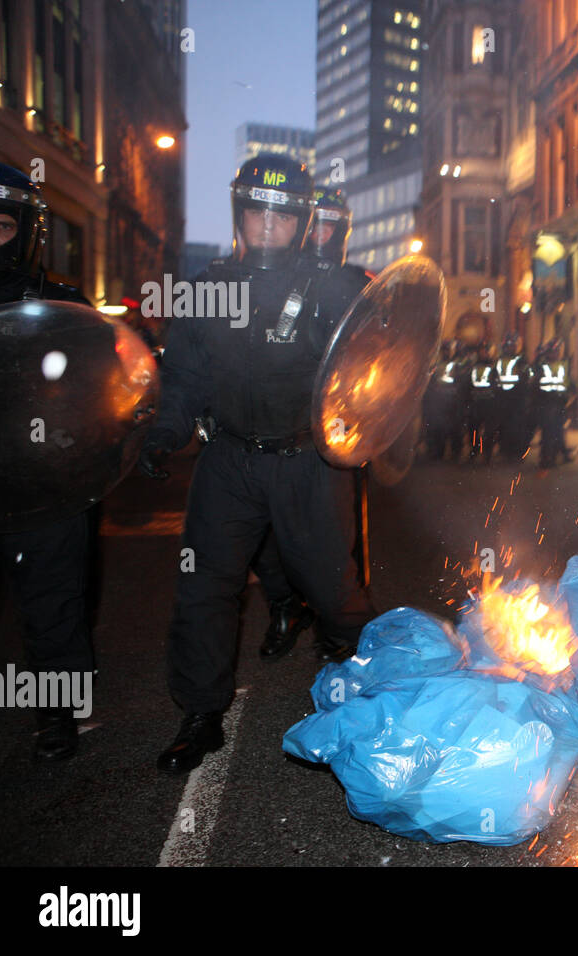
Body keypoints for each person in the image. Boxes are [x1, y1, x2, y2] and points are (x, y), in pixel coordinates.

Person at [138, 153, 376, 774]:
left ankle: (372, 702)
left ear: (302, 220)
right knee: (203, 588)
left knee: (333, 588)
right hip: (228, 459)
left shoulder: (336, 287)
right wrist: (164, 433)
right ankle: (200, 714)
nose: (268, 226)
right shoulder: (207, 288)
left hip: (308, 461)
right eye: (256, 211)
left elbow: (376, 371)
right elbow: (184, 376)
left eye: (282, 214)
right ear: (240, 214)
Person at [0, 160, 95, 760]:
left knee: (54, 604)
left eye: (1, 228)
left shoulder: (61, 305)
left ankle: (56, 713)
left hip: (44, 482)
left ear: (26, 231)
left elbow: (94, 394)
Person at [248, 184, 368, 661]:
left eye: (329, 225)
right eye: (312, 222)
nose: (319, 233)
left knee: (334, 542)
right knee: (264, 538)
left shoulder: (359, 283)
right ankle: (284, 607)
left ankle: (336, 625)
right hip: (272, 427)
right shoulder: (269, 278)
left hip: (334, 435)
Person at [533, 338, 573, 468]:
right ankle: (546, 458)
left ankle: (556, 455)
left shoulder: (564, 364)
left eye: (557, 351)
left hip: (560, 402)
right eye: (554, 352)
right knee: (548, 431)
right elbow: (535, 384)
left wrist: (570, 394)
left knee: (558, 431)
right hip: (546, 402)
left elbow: (568, 381)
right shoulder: (541, 365)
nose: (556, 354)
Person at [493, 332, 531, 462]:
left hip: (517, 399)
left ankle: (517, 452)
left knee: (517, 427)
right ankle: (505, 450)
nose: (512, 348)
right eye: (510, 345)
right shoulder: (499, 359)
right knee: (503, 427)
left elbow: (526, 379)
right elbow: (494, 376)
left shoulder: (522, 360)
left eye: (514, 345)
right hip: (502, 398)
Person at [468, 341, 497, 463]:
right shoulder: (473, 366)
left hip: (489, 403)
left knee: (489, 431)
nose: (484, 353)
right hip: (476, 402)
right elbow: (468, 384)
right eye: (482, 351)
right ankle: (474, 451)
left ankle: (487, 454)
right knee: (473, 429)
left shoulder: (494, 367)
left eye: (486, 351)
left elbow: (497, 385)